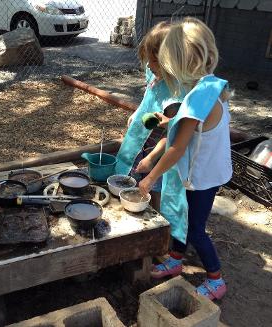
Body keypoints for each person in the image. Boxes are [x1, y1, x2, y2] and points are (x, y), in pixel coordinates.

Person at [138, 17, 232, 300]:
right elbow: (193, 125)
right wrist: (169, 120)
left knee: (194, 228)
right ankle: (176, 258)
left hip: (203, 176)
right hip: (205, 169)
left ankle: (215, 278)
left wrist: (151, 177)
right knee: (181, 214)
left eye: (167, 62)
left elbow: (178, 148)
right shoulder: (209, 85)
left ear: (180, 62)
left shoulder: (196, 99)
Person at [115, 21, 182, 212]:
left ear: (170, 60)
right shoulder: (155, 74)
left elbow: (174, 133)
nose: (149, 65)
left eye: (153, 61)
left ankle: (157, 220)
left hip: (156, 148)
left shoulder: (175, 94)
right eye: (147, 60)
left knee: (154, 186)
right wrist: (137, 112)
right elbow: (149, 95)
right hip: (140, 139)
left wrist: (152, 157)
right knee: (136, 177)